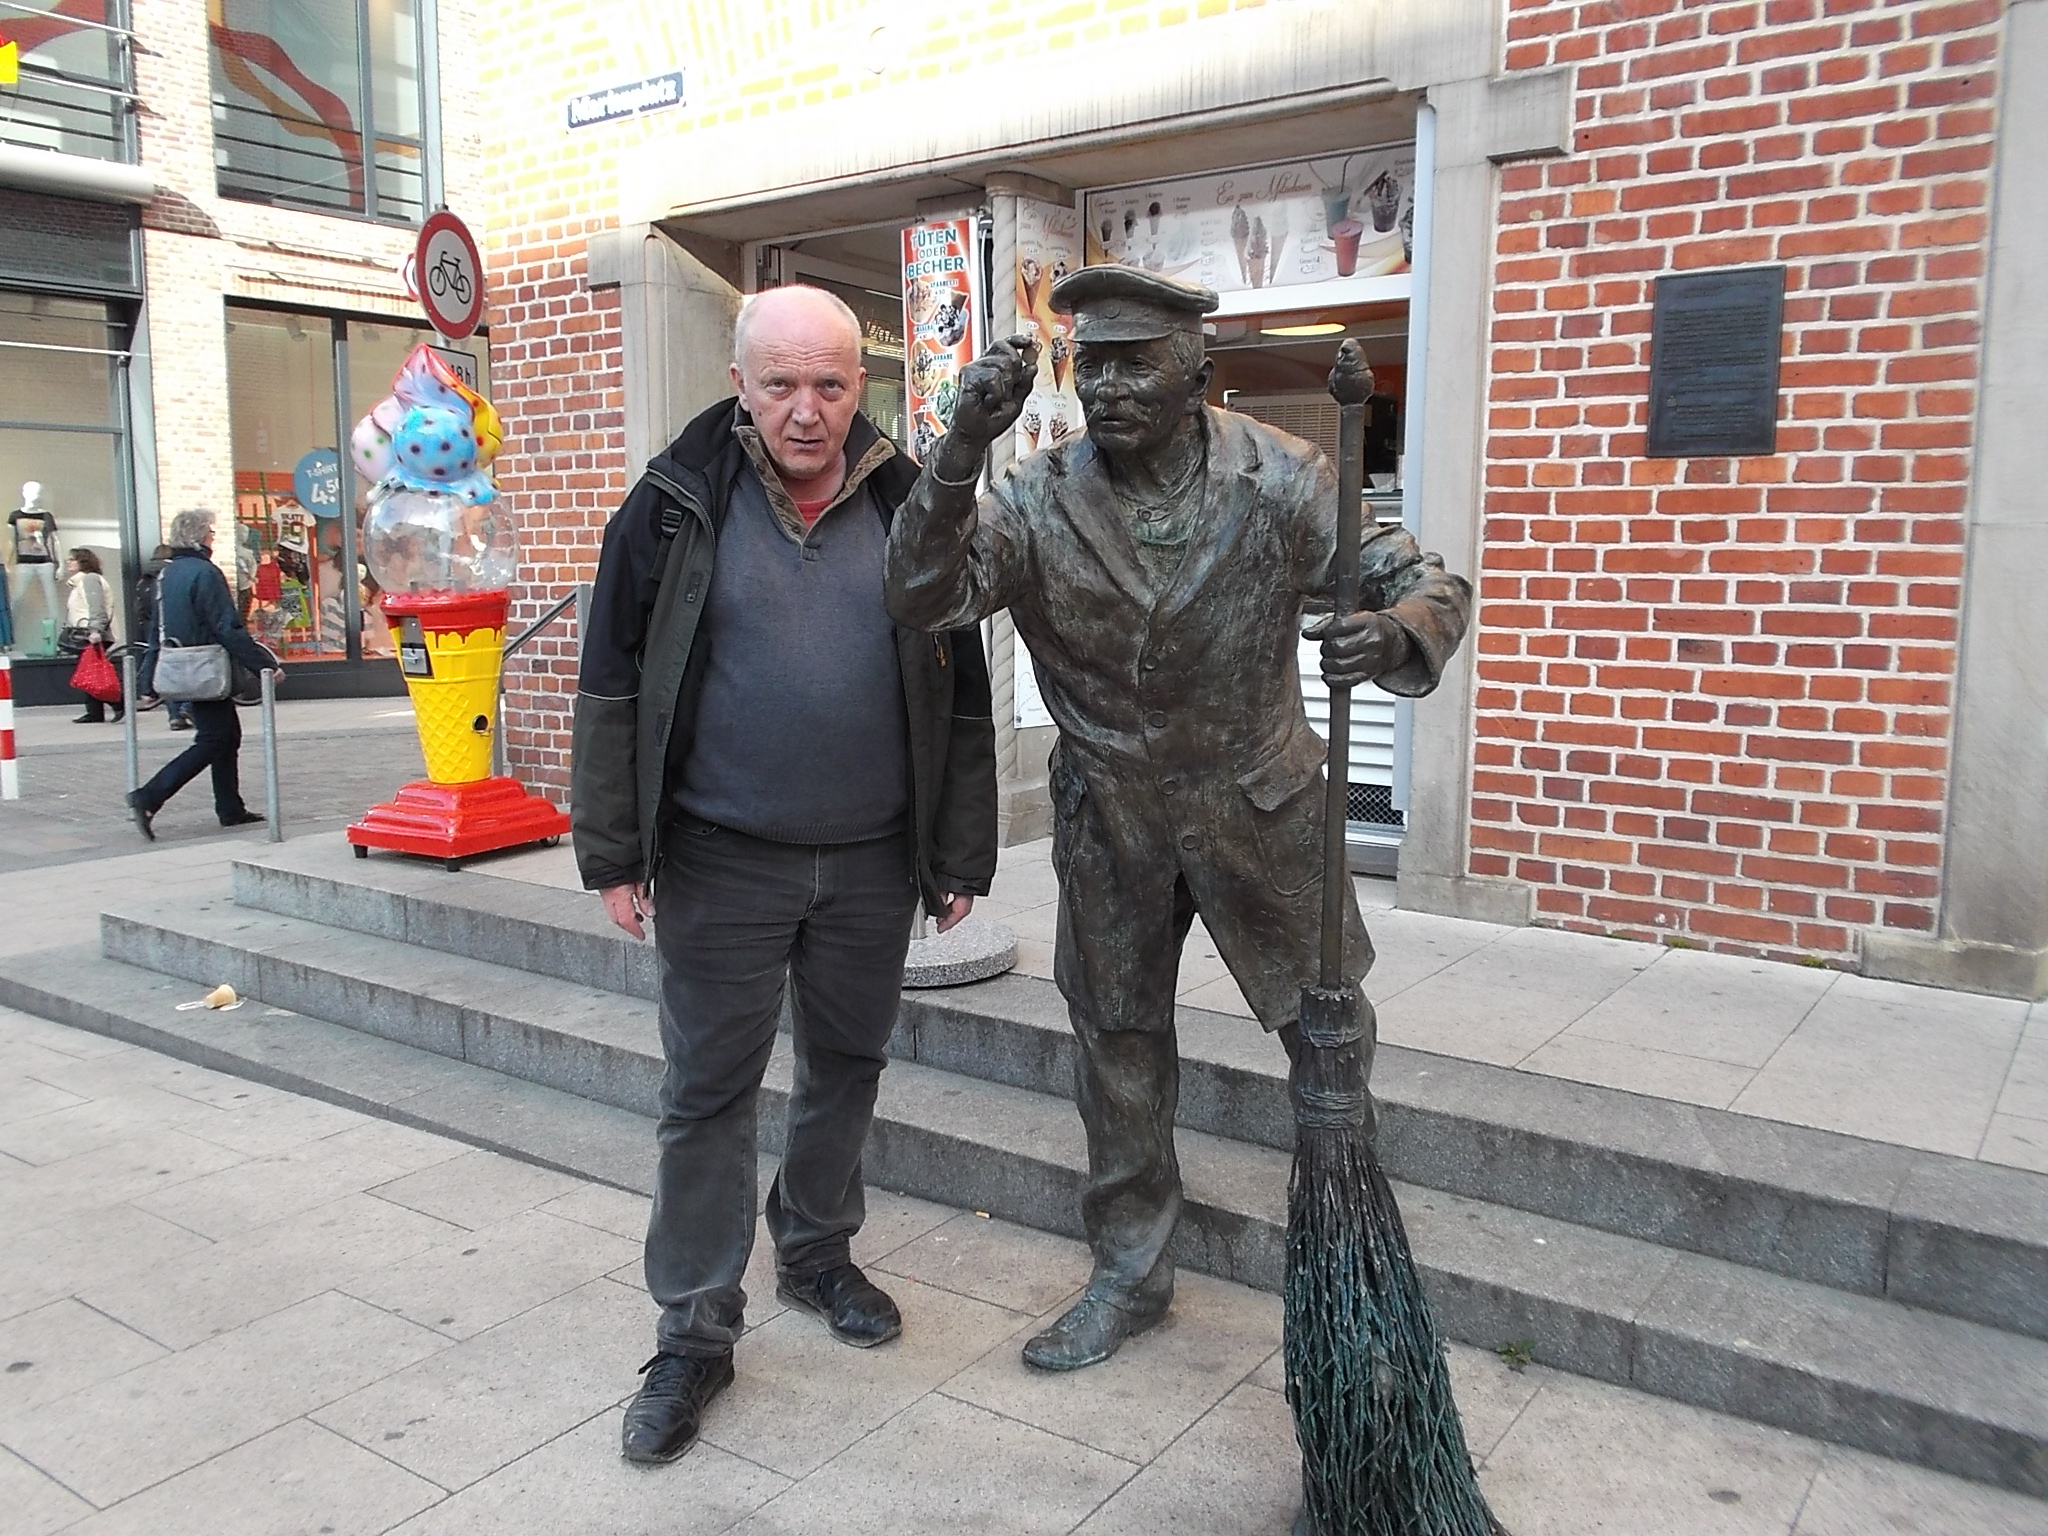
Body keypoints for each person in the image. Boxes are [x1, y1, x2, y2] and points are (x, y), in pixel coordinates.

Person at [884, 269, 1472, 1372]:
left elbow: (1416, 577)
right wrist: (959, 445)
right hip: (1111, 818)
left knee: (1325, 1036)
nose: (1105, 384)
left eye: (1133, 361)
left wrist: (1392, 634)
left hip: (1261, 807)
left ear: (1197, 370)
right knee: (1116, 1044)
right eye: (1089, 362)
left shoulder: (1279, 477)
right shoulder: (1033, 493)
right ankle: (1129, 1270)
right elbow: (920, 595)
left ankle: (1347, 1244)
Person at [572, 284, 998, 1466]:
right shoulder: (667, 506)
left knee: (846, 1066)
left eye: (829, 385)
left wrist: (957, 847)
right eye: (780, 385)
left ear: (860, 386)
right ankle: (695, 1329)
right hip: (718, 860)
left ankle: (814, 1253)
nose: (805, 411)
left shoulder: (913, 499)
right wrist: (614, 848)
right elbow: (609, 684)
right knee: (705, 1094)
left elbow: (960, 689)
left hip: (869, 858)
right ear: (737, 382)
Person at [127, 508, 277, 839]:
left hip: (184, 665)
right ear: (197, 538)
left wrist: (146, 679)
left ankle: (230, 808)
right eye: (210, 531)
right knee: (212, 739)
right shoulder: (205, 573)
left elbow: (157, 629)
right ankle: (150, 796)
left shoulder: (168, 574)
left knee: (227, 737)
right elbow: (226, 626)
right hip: (206, 667)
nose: (213, 536)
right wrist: (263, 664)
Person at [133, 544, 193, 730]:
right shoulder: (172, 574)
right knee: (186, 671)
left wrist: (147, 623)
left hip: (155, 628)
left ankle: (174, 715)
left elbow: (140, 606)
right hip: (175, 628)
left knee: (168, 672)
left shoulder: (144, 578)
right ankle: (186, 706)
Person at [64, 547, 122, 724]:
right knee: (90, 670)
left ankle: (117, 703)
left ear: (83, 561)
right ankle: (96, 711)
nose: (68, 562)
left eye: (72, 559)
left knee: (92, 671)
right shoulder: (81, 582)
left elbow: (97, 607)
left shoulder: (90, 580)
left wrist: (95, 630)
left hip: (92, 633)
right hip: (87, 633)